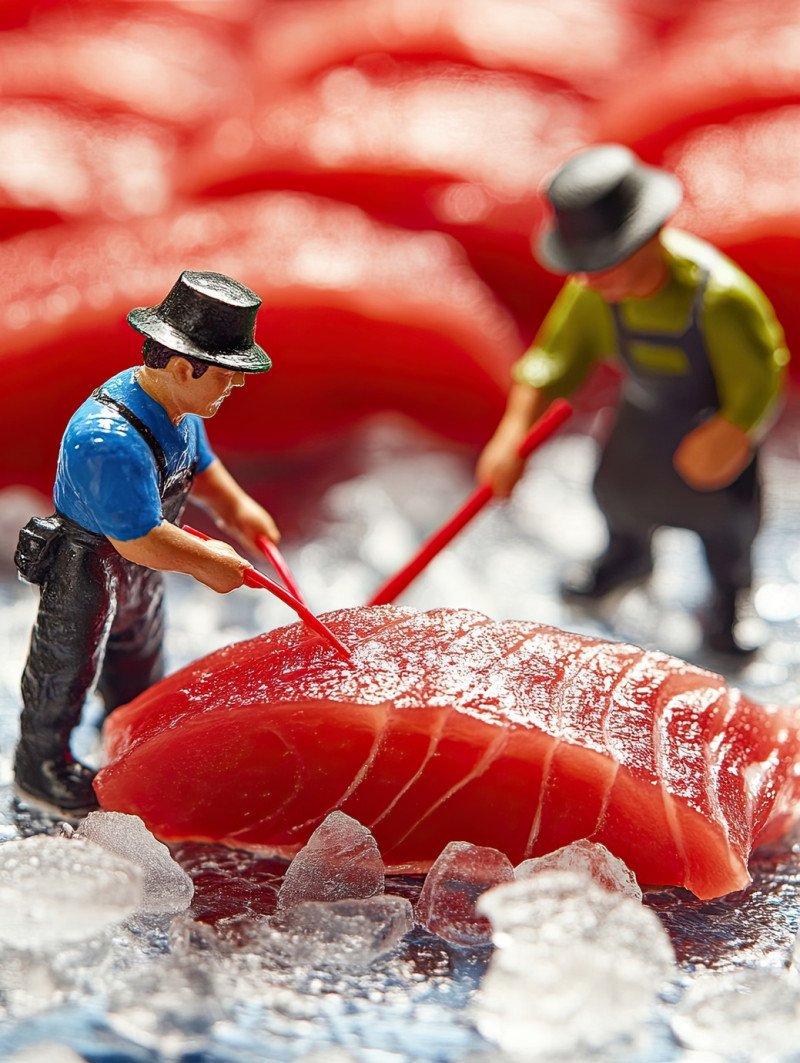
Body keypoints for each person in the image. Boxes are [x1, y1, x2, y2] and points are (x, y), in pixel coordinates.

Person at [477, 144, 787, 655]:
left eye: (605, 263)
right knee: (618, 496)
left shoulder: (719, 299)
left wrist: (734, 430)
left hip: (709, 425)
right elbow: (550, 364)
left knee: (726, 527)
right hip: (641, 420)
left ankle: (730, 597)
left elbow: (760, 375)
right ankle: (627, 558)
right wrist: (513, 434)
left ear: (649, 238)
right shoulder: (593, 295)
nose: (591, 279)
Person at [14, 270, 281, 815]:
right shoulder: (107, 437)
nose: (236, 386)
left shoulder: (181, 408)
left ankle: (133, 738)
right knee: (66, 670)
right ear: (185, 366)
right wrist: (208, 560)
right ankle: (41, 766)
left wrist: (236, 509)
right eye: (227, 376)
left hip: (141, 568)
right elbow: (137, 538)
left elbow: (199, 467)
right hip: (87, 567)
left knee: (139, 658)